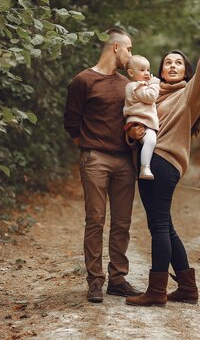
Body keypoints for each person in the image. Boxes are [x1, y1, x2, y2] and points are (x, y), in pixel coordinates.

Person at [125, 14, 200, 307]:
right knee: (165, 225)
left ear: (186, 71)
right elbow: (135, 126)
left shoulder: (188, 95)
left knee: (159, 227)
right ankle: (187, 288)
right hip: (153, 161)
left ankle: (156, 292)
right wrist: (133, 134)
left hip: (162, 164)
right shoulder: (150, 96)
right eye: (168, 62)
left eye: (179, 62)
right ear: (160, 70)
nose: (173, 66)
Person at [63, 28, 142, 303]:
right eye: (129, 49)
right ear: (116, 48)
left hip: (125, 161)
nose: (131, 54)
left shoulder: (126, 85)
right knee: (95, 221)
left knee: (122, 222)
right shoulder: (83, 81)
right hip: (95, 158)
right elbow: (71, 123)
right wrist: (89, 148)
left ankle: (118, 279)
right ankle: (95, 281)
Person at [122, 55, 161, 180]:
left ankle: (143, 167)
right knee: (150, 141)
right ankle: (145, 167)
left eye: (148, 70)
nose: (146, 73)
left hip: (143, 121)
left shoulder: (140, 85)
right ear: (131, 73)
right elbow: (150, 97)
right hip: (139, 122)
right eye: (142, 70)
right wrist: (154, 84)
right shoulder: (134, 86)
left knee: (149, 142)